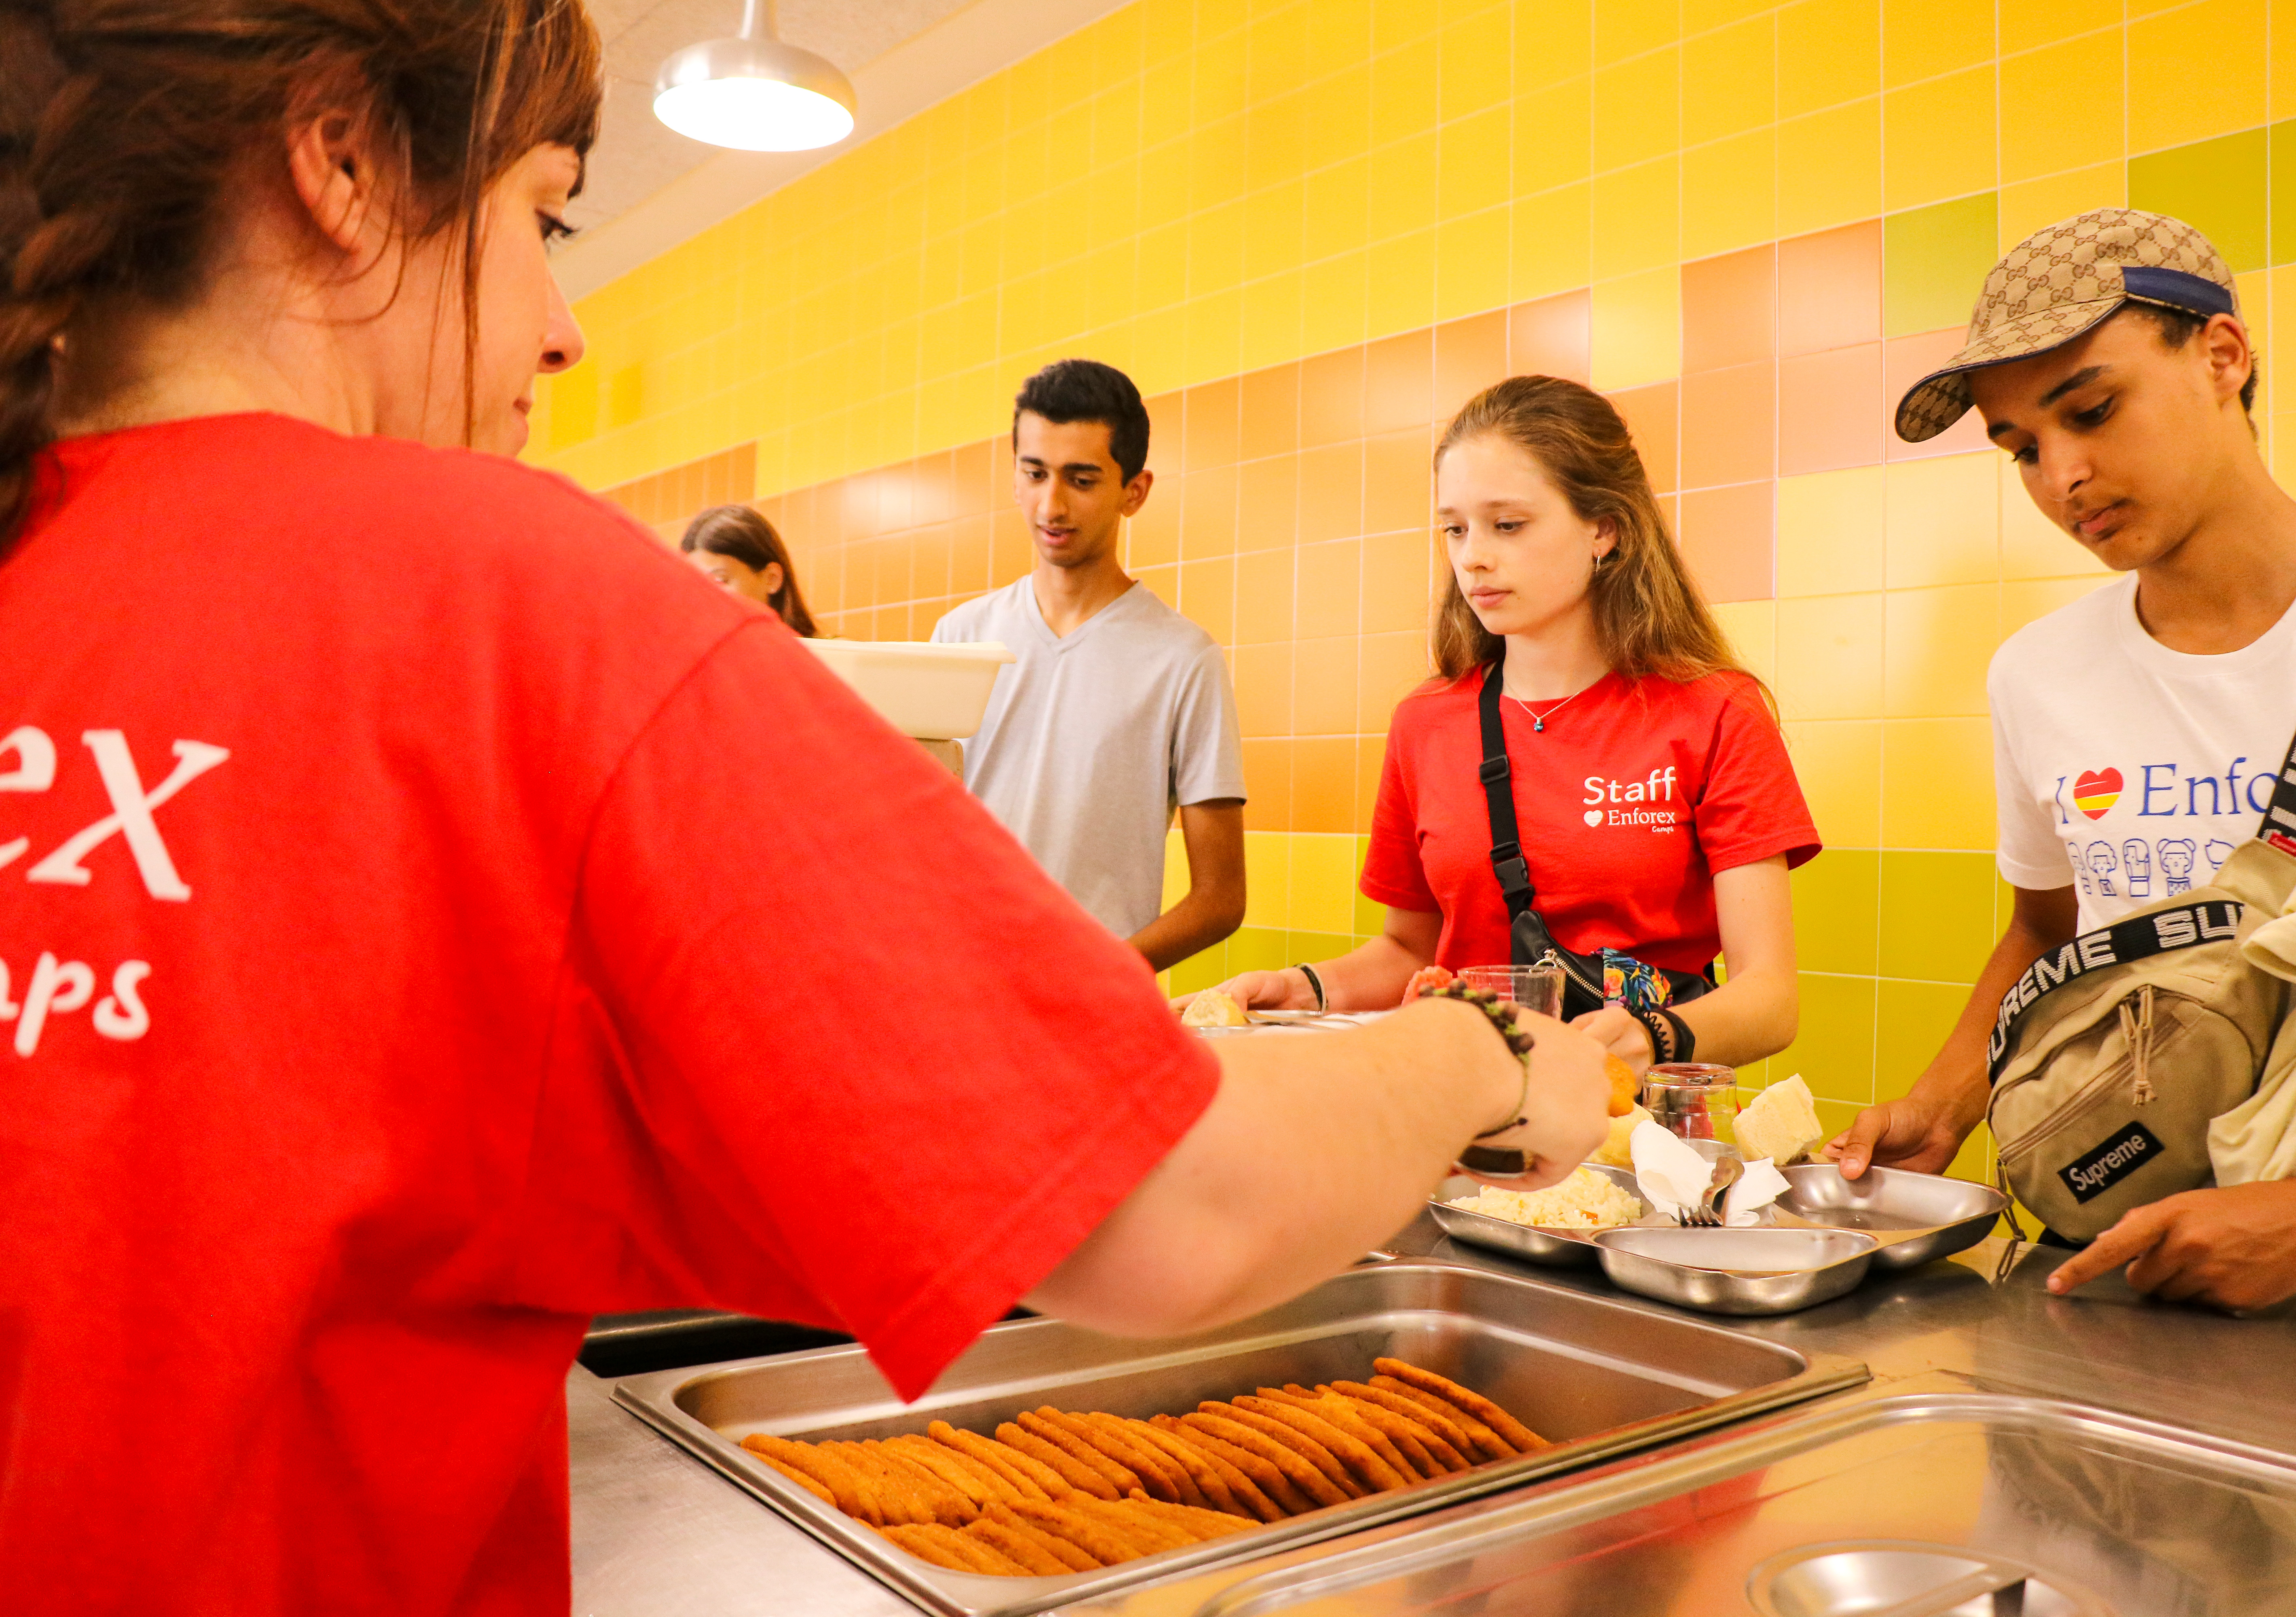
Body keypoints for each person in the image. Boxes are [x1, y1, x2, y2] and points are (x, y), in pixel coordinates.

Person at [0, 2, 1610, 1609]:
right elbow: (1176, 1210)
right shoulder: (506, 600)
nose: (561, 326)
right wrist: (1491, 1051)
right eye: (543, 215)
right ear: (342, 158)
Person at [1830, 209, 2296, 1312]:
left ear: (2221, 357)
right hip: (2137, 1264)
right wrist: (1946, 1104)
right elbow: (2051, 932)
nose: (2064, 476)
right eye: (2021, 451)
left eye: (2091, 410)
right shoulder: (2038, 675)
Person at [1200, 377, 1816, 1076]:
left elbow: (1770, 999)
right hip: (1465, 1121)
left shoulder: (1716, 711)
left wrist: (1649, 1037)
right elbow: (1409, 952)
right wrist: (1303, 991)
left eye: (1508, 525)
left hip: (1641, 1135)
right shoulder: (1424, 723)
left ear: (1603, 529)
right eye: (1456, 529)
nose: (1473, 557)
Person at [933, 360, 1247, 971]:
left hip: (1095, 1012)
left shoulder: (1184, 660)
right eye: (1035, 474)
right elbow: (920, 836)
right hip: (957, 988)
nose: (1051, 505)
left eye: (1081, 480)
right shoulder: (960, 637)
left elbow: (1221, 898)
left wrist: (1101, 974)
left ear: (1135, 491)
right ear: (1016, 478)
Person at [682, 502, 821, 635]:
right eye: (696, 587)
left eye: (719, 581)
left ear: (772, 578)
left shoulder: (831, 656)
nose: (704, 599)